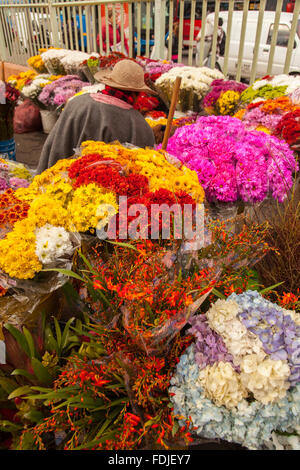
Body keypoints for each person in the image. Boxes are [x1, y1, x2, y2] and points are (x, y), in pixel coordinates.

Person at [36, 60, 157, 174]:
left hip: (59, 187)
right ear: (136, 93)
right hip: (107, 195)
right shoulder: (139, 125)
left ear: (108, 82)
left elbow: (53, 146)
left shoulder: (76, 103)